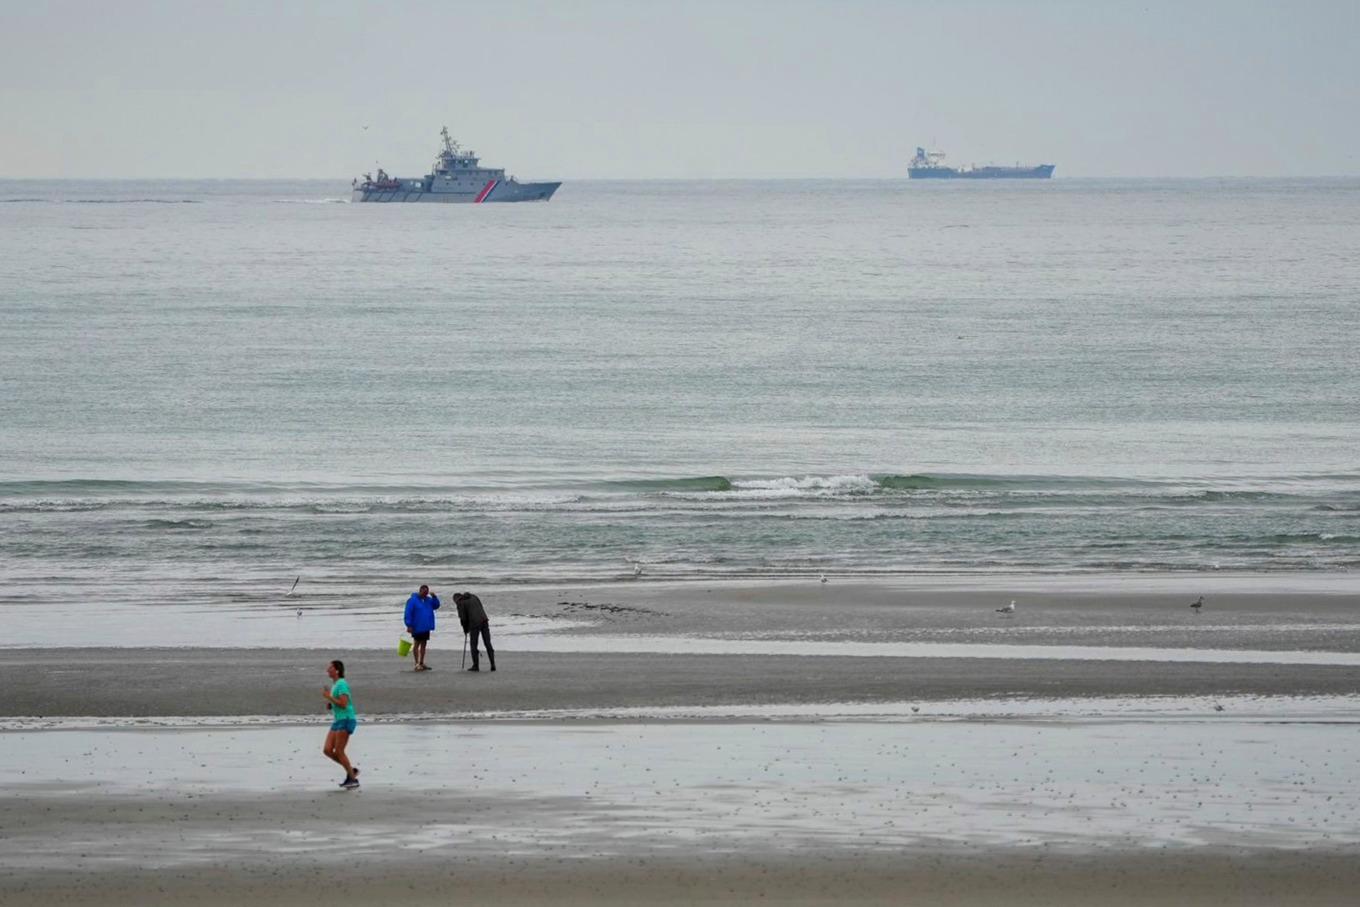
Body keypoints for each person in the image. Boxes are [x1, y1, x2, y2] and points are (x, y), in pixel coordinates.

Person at [322, 659, 359, 789]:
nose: (327, 670)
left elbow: (344, 704)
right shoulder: (335, 684)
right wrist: (330, 704)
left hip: (346, 719)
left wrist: (329, 697)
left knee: (339, 751)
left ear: (337, 670)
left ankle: (353, 779)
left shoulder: (342, 683)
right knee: (327, 750)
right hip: (338, 720)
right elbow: (337, 703)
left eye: (330, 668)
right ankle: (351, 770)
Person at [454, 591, 495, 672]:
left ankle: (476, 666)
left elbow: (463, 619)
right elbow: (481, 607)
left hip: (474, 623)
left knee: (473, 644)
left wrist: (465, 630)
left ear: (456, 599)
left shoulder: (460, 603)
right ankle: (493, 664)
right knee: (487, 643)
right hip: (484, 620)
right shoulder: (474, 596)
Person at [403, 584, 440, 671]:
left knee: (424, 644)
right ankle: (416, 664)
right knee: (416, 644)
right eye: (424, 592)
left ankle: (421, 663)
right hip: (416, 626)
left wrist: (434, 597)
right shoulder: (412, 600)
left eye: (426, 593)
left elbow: (436, 606)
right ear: (420, 591)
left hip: (426, 626)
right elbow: (408, 613)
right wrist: (409, 625)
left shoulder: (428, 600)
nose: (425, 594)